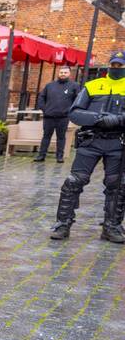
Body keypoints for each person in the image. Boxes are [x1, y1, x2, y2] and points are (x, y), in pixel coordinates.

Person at [51, 52, 125, 243]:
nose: (116, 68)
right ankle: (63, 224)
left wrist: (118, 119)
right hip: (91, 141)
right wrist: (98, 119)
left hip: (118, 143)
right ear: (109, 65)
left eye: (120, 65)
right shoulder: (92, 86)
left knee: (116, 186)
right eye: (114, 65)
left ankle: (112, 227)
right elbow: (75, 113)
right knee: (74, 181)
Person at [35, 66, 82, 163]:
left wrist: (70, 111)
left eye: (65, 72)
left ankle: (59, 157)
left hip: (63, 117)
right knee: (46, 136)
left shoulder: (74, 86)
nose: (63, 74)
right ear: (58, 73)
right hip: (49, 116)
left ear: (69, 74)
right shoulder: (50, 85)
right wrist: (44, 109)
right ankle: (41, 156)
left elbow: (77, 100)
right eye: (61, 72)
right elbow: (41, 97)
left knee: (61, 137)